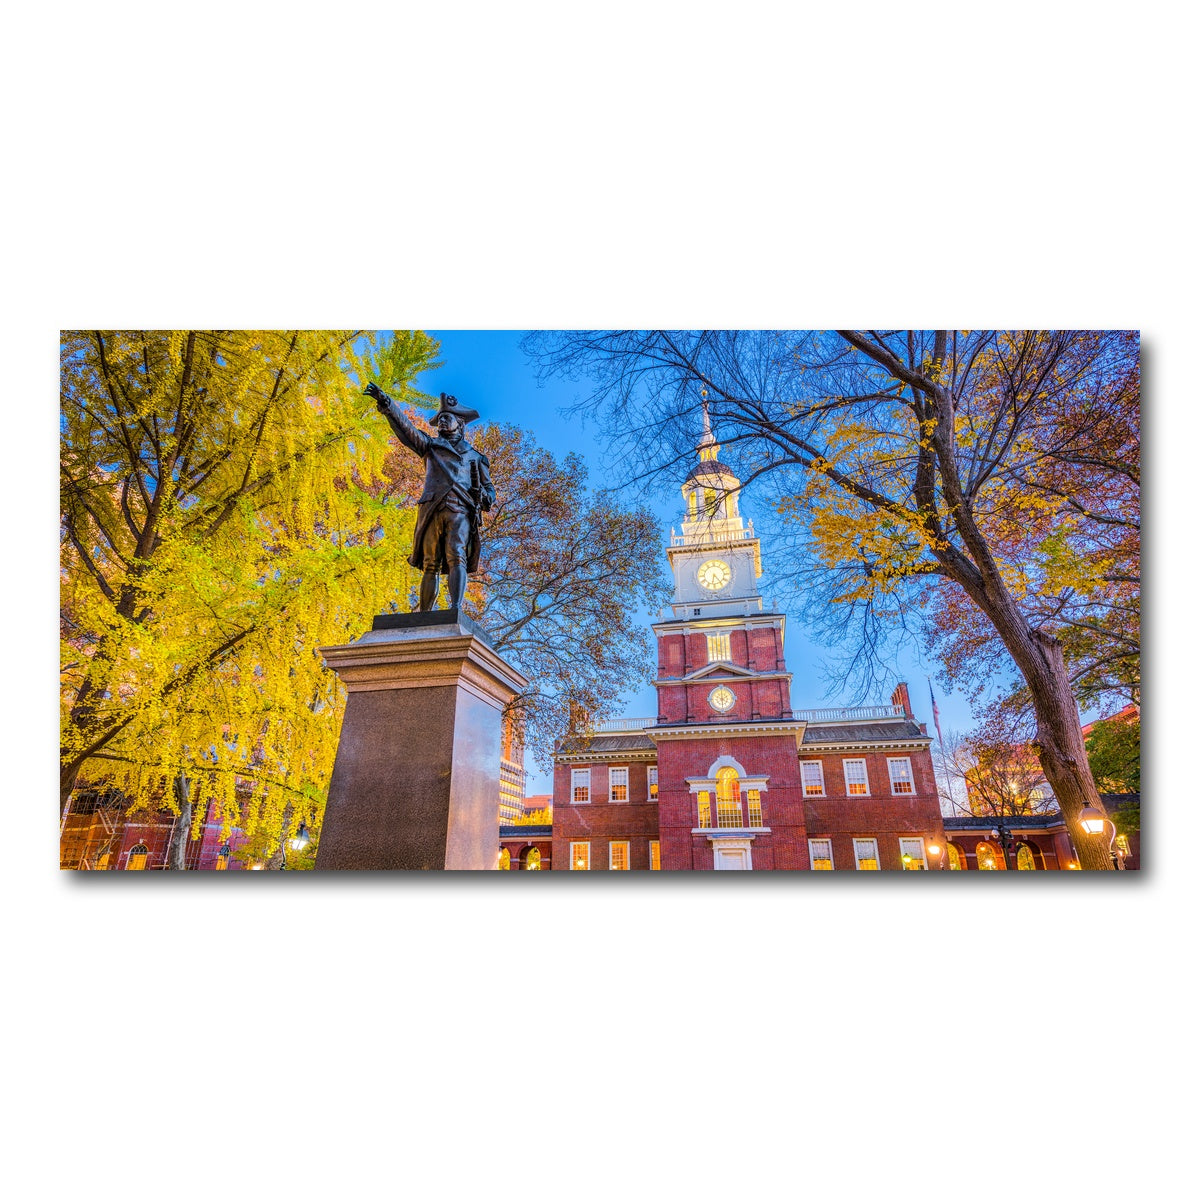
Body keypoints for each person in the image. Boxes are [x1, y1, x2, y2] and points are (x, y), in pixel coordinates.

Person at [364, 384, 494, 611]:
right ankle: (424, 614)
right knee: (430, 563)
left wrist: (484, 496)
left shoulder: (476, 457)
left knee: (457, 556)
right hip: (432, 508)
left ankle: (455, 608)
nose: (442, 421)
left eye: (447, 417)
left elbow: (489, 491)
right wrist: (387, 405)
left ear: (460, 423)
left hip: (460, 511)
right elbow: (407, 431)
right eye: (440, 418)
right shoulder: (430, 445)